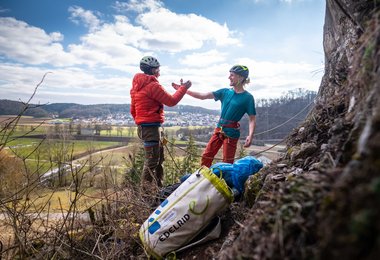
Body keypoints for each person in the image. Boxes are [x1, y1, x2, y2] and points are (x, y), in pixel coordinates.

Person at [172, 65, 256, 167]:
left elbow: (252, 119)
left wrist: (250, 135)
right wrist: (184, 90)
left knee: (227, 162)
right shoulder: (225, 92)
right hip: (219, 129)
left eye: (232, 75)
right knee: (207, 156)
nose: (229, 77)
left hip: (231, 132)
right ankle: (203, 178)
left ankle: (224, 182)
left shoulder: (248, 98)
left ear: (241, 77)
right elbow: (202, 96)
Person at [130, 56, 192, 188]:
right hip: (151, 128)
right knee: (152, 162)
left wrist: (140, 122)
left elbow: (133, 109)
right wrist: (184, 88)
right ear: (153, 70)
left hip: (146, 128)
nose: (159, 72)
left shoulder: (136, 86)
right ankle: (146, 194)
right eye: (158, 69)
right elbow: (171, 101)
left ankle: (158, 189)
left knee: (158, 160)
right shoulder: (152, 85)